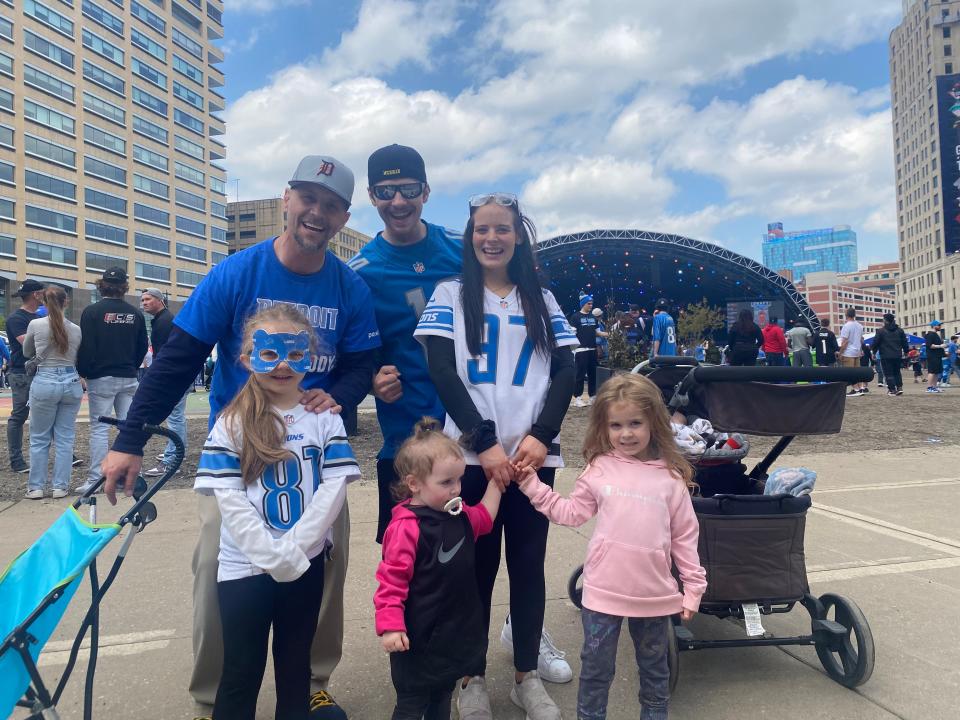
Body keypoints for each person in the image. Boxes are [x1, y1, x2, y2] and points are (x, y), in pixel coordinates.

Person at [102, 154, 380, 720]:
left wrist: (341, 397)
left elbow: (362, 362)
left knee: (324, 570)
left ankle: (310, 684)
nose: (316, 212)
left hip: (314, 446)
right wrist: (130, 439)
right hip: (243, 440)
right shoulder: (236, 273)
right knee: (217, 573)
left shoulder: (348, 287)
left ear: (343, 215)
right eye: (308, 198)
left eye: (330, 205)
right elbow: (178, 359)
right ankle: (213, 695)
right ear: (286, 199)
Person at [414, 192, 577, 720]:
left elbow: (567, 372)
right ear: (470, 235)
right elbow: (443, 371)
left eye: (502, 229)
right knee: (473, 572)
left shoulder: (542, 298)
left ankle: (526, 677)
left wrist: (542, 433)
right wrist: (483, 443)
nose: (491, 238)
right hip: (471, 464)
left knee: (528, 568)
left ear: (518, 235)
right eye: (482, 229)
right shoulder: (450, 293)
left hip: (531, 461)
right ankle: (472, 675)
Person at [195, 304, 360, 720]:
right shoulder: (231, 423)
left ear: (312, 356)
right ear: (248, 359)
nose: (283, 365)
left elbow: (333, 488)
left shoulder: (326, 419)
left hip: (303, 565)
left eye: (294, 353)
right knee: (240, 674)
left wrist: (296, 550)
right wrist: (269, 555)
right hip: (244, 569)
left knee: (295, 670)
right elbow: (229, 498)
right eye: (269, 354)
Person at [517, 373, 706, 719]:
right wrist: (531, 484)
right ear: (604, 428)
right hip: (603, 593)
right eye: (616, 425)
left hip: (654, 597)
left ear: (654, 422)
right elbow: (571, 513)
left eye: (635, 423)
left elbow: (684, 537)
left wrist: (693, 587)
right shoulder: (599, 469)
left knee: (655, 675)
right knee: (595, 673)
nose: (626, 433)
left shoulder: (670, 478)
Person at [346, 144, 462, 544]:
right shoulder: (359, 271)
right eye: (385, 190)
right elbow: (350, 351)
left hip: (472, 430)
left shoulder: (465, 248)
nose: (398, 201)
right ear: (371, 197)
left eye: (409, 189)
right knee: (405, 558)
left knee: (472, 555)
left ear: (427, 191)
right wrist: (371, 380)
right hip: (407, 438)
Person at [375, 419, 503, 720]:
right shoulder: (406, 528)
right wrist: (391, 625)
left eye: (458, 480)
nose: (456, 489)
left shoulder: (458, 515)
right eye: (446, 483)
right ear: (414, 483)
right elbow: (390, 581)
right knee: (412, 703)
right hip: (417, 638)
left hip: (452, 636)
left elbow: (485, 517)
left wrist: (497, 483)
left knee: (442, 697)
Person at [75, 268, 148, 494]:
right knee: (129, 428)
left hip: (101, 377)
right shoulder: (135, 313)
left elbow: (87, 346)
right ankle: (129, 476)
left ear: (102, 286)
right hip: (127, 376)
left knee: (99, 429)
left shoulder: (92, 312)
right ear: (124, 287)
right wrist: (132, 366)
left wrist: (85, 371)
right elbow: (143, 346)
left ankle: (97, 479)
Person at [22, 286, 84, 499]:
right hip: (71, 380)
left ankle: (36, 487)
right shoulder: (76, 329)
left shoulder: (35, 324)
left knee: (39, 438)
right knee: (65, 438)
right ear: (66, 302)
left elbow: (27, 351)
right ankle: (60, 487)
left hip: (45, 380)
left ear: (44, 303)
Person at [140, 288, 188, 478]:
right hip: (177, 374)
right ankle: (177, 452)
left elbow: (164, 354)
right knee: (177, 417)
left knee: (175, 417)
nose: (144, 302)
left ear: (160, 300)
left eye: (148, 299)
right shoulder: (165, 319)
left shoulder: (164, 321)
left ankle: (171, 459)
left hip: (173, 376)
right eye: (142, 299)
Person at [5, 279, 47, 473]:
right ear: (35, 295)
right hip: (22, 373)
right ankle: (16, 460)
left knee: (48, 414)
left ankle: (66, 455)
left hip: (40, 372)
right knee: (19, 416)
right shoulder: (17, 318)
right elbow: (28, 346)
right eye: (42, 292)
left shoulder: (38, 317)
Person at [569, 294, 606, 406]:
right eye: (588, 303)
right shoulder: (575, 317)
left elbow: (598, 332)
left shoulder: (593, 318)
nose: (591, 305)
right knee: (579, 375)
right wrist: (573, 349)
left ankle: (592, 396)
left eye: (591, 304)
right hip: (581, 350)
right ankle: (578, 398)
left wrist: (612, 334)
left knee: (592, 374)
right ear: (583, 304)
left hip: (592, 349)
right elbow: (572, 334)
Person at [872, 313, 908, 396]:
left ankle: (892, 389)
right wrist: (906, 352)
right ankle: (899, 387)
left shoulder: (881, 331)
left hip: (885, 355)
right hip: (897, 355)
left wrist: (874, 352)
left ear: (885, 320)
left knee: (888, 373)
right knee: (897, 372)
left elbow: (875, 343)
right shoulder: (900, 330)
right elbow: (904, 342)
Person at [839, 307, 867, 397]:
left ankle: (856, 389)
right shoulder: (859, 325)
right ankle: (860, 388)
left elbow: (845, 341)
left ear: (846, 315)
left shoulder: (846, 326)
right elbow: (861, 340)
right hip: (857, 352)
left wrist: (840, 352)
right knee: (857, 372)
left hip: (848, 352)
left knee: (850, 372)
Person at [924, 320, 947, 394]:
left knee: (936, 372)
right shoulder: (930, 334)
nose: (940, 326)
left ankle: (934, 387)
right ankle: (929, 387)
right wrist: (940, 346)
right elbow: (930, 345)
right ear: (934, 326)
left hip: (937, 356)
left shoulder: (935, 334)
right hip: (932, 356)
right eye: (939, 325)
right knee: (932, 371)